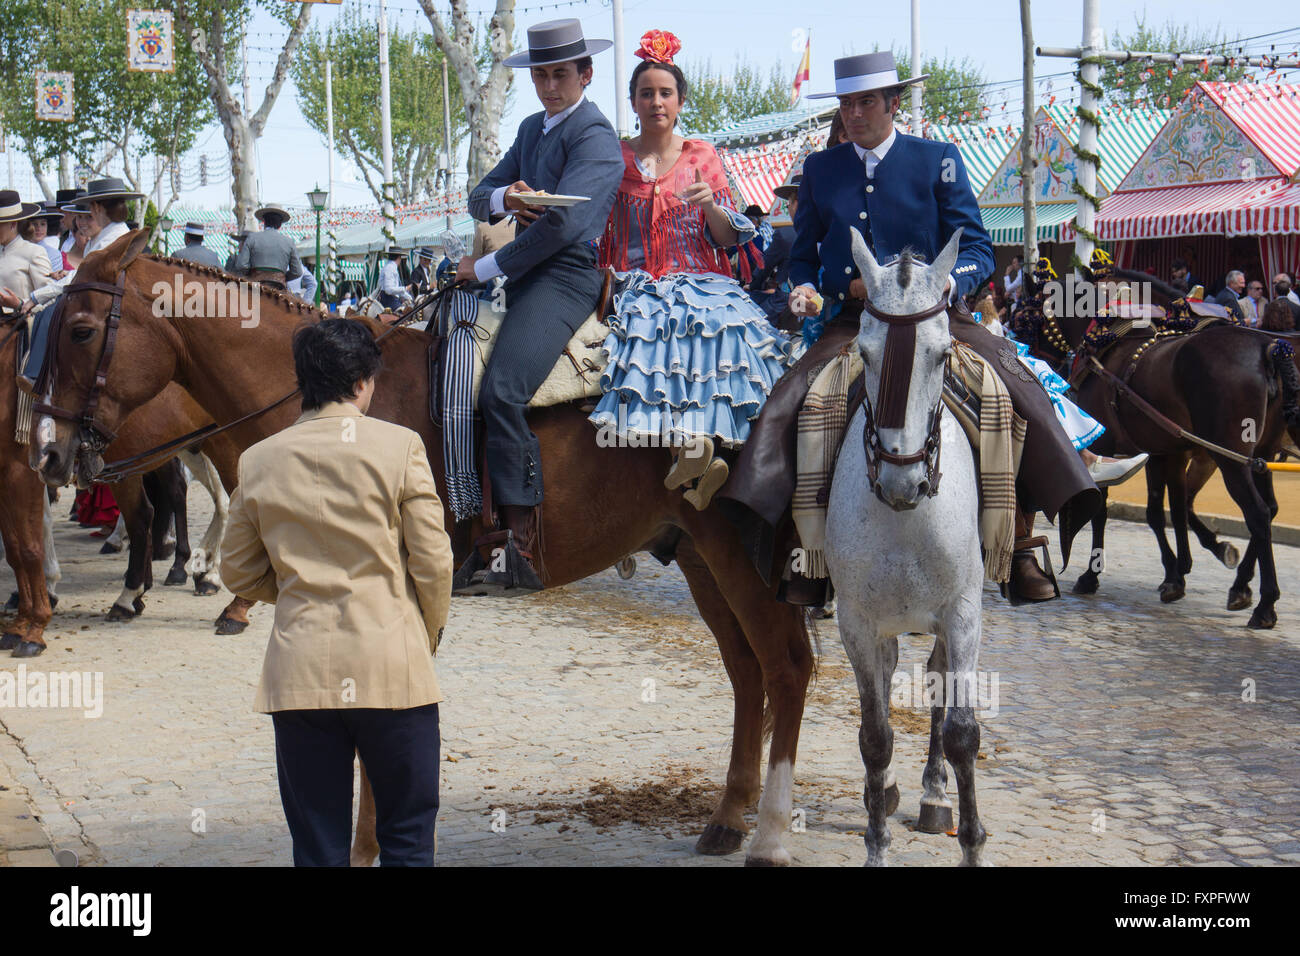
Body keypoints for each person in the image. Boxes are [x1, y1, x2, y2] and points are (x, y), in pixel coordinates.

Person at [717, 51, 1102, 605]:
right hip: (854, 320)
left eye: (865, 101)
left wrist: (948, 285)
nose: (854, 113)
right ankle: (803, 549)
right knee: (795, 398)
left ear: (893, 104)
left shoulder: (937, 159)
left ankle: (1019, 544)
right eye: (846, 103)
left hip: (935, 313)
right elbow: (803, 257)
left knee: (1010, 387)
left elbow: (976, 248)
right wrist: (806, 286)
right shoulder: (821, 171)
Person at [220, 319, 453, 867]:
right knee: (409, 838)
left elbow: (238, 571)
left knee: (319, 846)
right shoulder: (400, 446)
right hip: (392, 666)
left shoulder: (258, 459)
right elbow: (434, 560)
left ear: (305, 382)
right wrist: (427, 629)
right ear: (363, 382)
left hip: (300, 676)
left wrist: (296, 589)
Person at [591, 29, 799, 510]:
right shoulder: (614, 158)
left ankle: (707, 456)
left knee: (726, 326)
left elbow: (729, 238)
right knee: (650, 327)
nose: (656, 102)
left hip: (702, 278)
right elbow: (595, 227)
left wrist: (709, 207)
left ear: (681, 101)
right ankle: (690, 453)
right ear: (633, 102)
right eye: (647, 93)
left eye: (665, 93)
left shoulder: (702, 156)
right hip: (635, 281)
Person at [458, 17, 624, 591]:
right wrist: (507, 194)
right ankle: (468, 523)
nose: (549, 85)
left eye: (560, 74)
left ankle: (519, 545)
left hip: (567, 276)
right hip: (523, 274)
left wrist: (481, 267)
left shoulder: (597, 137)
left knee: (502, 388)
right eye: (541, 75)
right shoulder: (532, 128)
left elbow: (564, 227)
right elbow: (479, 195)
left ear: (586, 73)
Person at [20, 178, 144, 390]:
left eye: (87, 215)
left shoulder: (113, 237)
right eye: (79, 217)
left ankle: (36, 376)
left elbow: (81, 275)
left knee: (52, 312)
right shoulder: (103, 235)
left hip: (111, 303)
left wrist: (36, 296)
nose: (82, 222)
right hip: (101, 297)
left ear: (98, 208)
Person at [749, 169, 798, 322]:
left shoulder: (785, 234)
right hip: (817, 299)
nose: (789, 208)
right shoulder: (828, 230)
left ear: (795, 203)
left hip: (789, 301)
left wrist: (752, 286)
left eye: (789, 203)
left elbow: (764, 267)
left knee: (751, 320)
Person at [0, 191, 53, 315]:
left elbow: (50, 299)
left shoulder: (34, 252)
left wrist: (20, 304)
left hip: (19, 328)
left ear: (13, 225)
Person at [234, 203, 303, 290]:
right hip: (279, 287)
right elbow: (297, 272)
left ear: (264, 221)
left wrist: (252, 274)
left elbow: (241, 265)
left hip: (255, 285)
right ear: (280, 224)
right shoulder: (289, 242)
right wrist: (282, 277)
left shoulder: (252, 238)